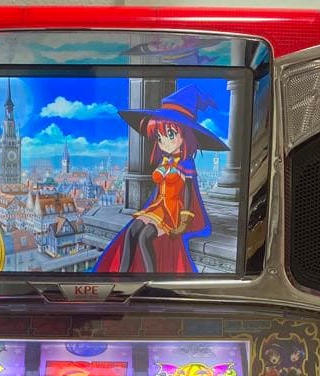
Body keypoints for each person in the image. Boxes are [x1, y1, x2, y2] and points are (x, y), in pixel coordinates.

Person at [95, 85, 228, 275]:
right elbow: (158, 191)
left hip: (173, 212)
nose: (163, 141)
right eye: (158, 136)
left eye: (170, 134)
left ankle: (151, 277)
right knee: (132, 232)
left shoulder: (186, 165)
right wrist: (149, 209)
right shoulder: (164, 161)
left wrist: (184, 222)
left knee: (145, 238)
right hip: (158, 207)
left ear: (186, 135)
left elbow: (188, 195)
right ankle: (122, 275)